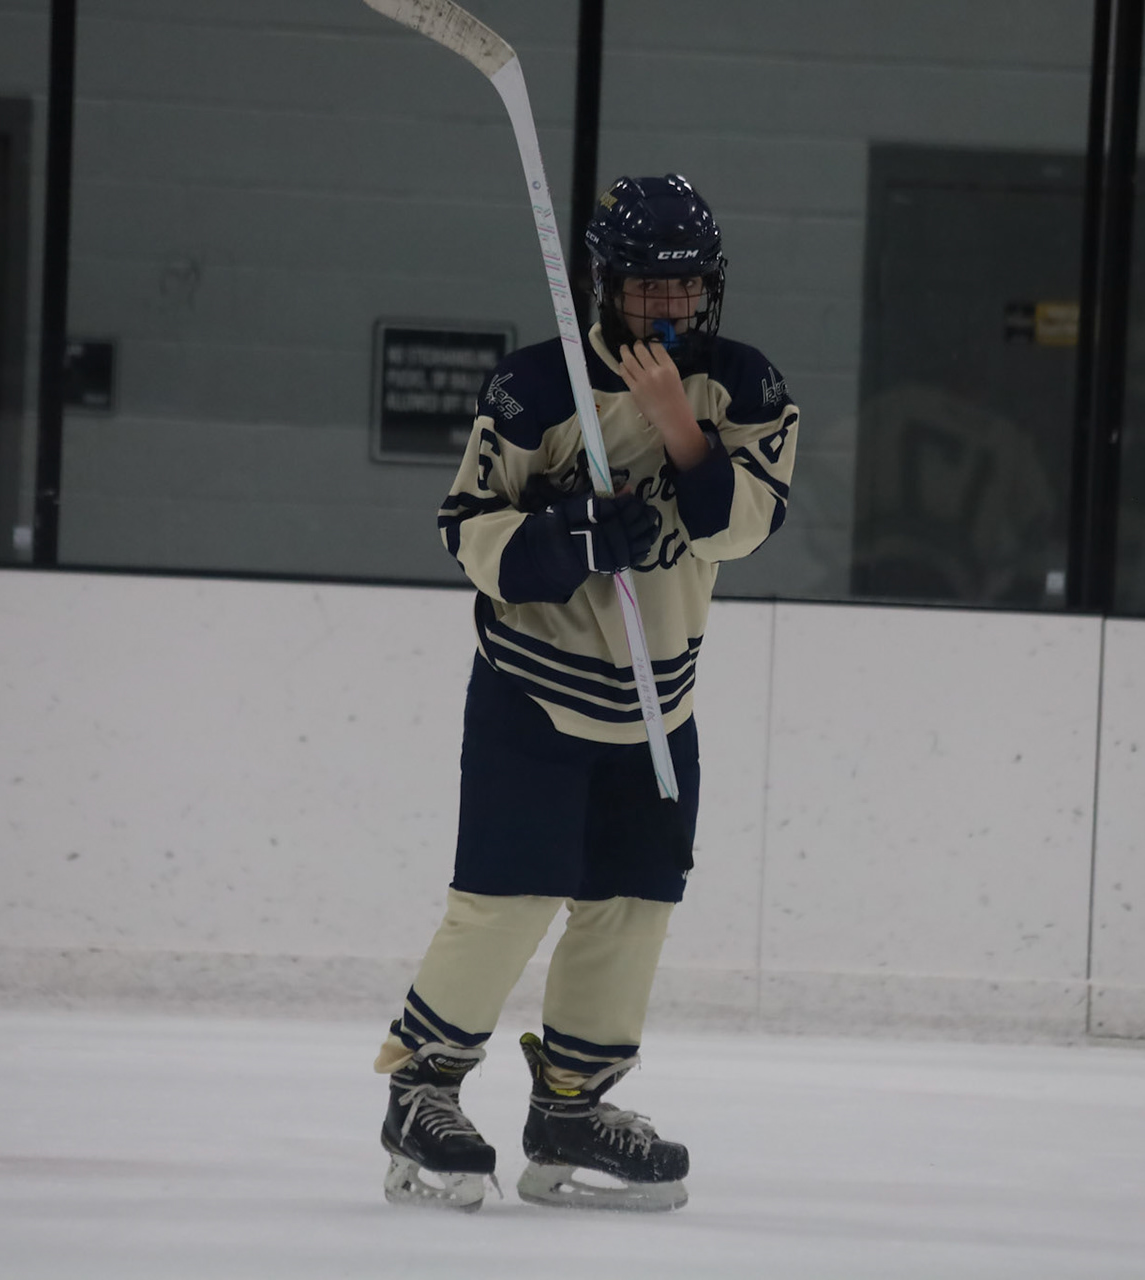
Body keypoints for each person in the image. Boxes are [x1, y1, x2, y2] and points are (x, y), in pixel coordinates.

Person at [375, 174, 799, 1213]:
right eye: (649, 287)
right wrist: (563, 539)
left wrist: (678, 429)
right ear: (606, 286)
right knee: (508, 898)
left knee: (633, 904)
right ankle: (422, 1091)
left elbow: (742, 528)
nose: (671, 307)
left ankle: (571, 1103)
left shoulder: (744, 386)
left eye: (687, 286)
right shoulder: (535, 388)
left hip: (661, 705)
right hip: (534, 694)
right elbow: (467, 529)